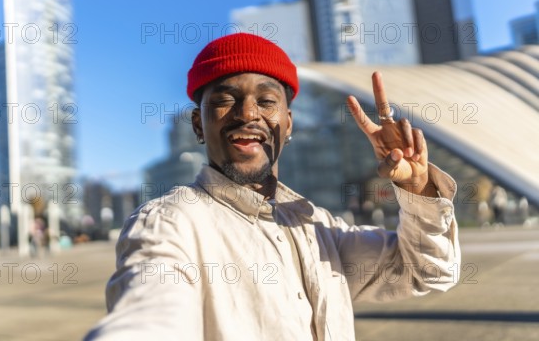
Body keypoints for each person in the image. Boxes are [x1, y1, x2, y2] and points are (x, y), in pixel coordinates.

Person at [84, 33, 460, 341]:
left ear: (289, 123)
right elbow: (149, 312)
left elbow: (428, 271)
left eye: (266, 101)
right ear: (198, 126)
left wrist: (419, 188)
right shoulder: (171, 224)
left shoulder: (318, 230)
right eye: (225, 100)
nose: (248, 114)